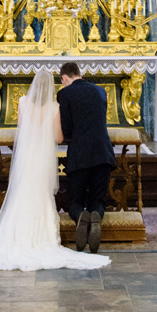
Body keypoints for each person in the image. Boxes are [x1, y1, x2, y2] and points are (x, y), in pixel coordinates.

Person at [0, 68, 109, 272]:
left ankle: (23, 235)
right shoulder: (56, 106)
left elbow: (23, 130)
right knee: (47, 194)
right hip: (57, 156)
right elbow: (59, 138)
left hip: (27, 157)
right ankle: (89, 218)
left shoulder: (23, 102)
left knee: (24, 193)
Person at [56, 61, 116, 254]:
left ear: (64, 78)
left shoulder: (64, 93)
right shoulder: (100, 91)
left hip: (79, 154)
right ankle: (96, 215)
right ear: (79, 74)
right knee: (98, 199)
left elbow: (66, 129)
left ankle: (80, 216)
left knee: (74, 201)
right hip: (103, 152)